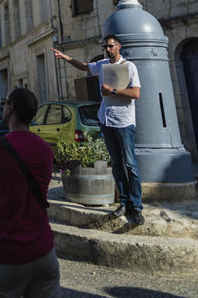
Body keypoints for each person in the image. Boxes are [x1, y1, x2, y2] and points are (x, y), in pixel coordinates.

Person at [0, 88, 60, 298]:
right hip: (44, 251)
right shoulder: (44, 149)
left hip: (7, 252)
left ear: (11, 107)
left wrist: (3, 197)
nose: (3, 106)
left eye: (5, 102)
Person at [51, 34, 143, 224]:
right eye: (105, 47)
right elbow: (85, 67)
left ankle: (137, 206)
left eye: (110, 46)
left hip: (124, 122)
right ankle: (124, 202)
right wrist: (66, 57)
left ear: (118, 46)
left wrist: (113, 91)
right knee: (116, 164)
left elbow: (136, 93)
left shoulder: (129, 66)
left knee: (130, 165)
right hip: (106, 120)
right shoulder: (102, 65)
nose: (107, 50)